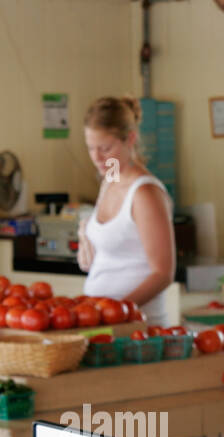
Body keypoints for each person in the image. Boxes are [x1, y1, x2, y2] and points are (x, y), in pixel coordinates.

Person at [77, 96, 176, 324]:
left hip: (137, 326)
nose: (96, 157)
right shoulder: (109, 180)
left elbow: (163, 274)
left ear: (130, 139)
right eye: (90, 148)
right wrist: (86, 235)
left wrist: (116, 312)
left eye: (105, 148)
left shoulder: (145, 193)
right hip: (100, 321)